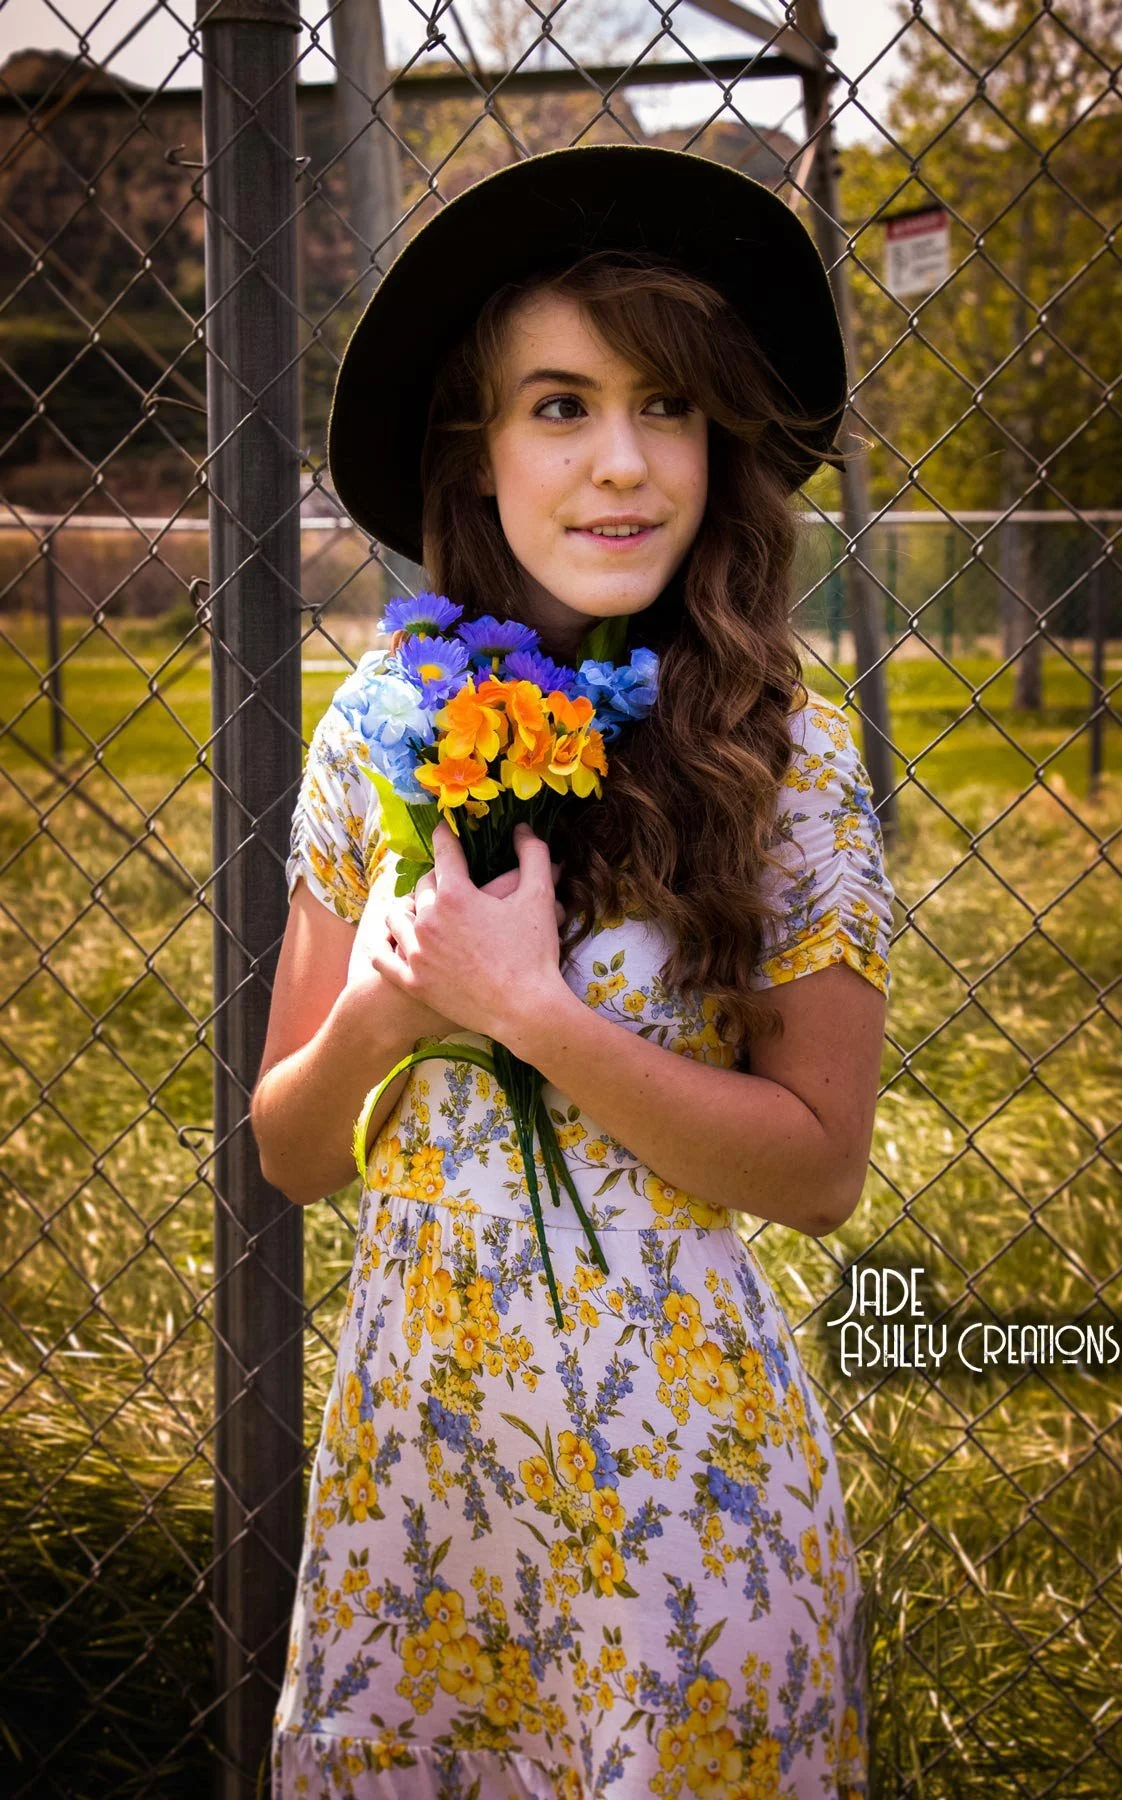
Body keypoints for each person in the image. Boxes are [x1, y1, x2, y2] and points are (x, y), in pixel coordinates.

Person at [254, 144, 895, 1800]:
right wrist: (394, 1009)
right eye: (559, 406)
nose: (622, 466)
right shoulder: (379, 733)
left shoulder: (783, 758)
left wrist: (534, 1012)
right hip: (426, 1480)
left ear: (718, 441)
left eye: (667, 408)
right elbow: (291, 1146)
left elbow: (820, 1169)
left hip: (683, 1496)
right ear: (475, 450)